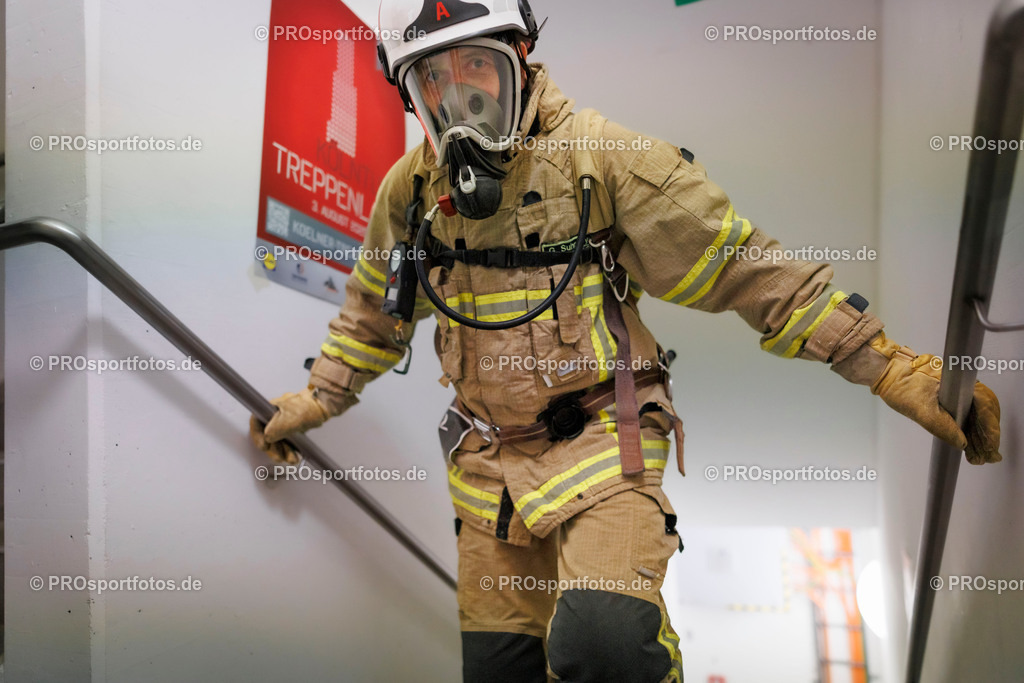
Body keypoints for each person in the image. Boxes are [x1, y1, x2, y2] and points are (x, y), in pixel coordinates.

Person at [250, 1, 1003, 681]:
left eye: (479, 65)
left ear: (520, 59)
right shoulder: (409, 195)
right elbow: (371, 317)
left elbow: (750, 272)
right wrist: (311, 402)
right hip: (486, 476)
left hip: (603, 448)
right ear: (412, 99)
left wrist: (892, 369)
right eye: (435, 83)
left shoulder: (603, 160)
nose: (464, 102)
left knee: (604, 645)